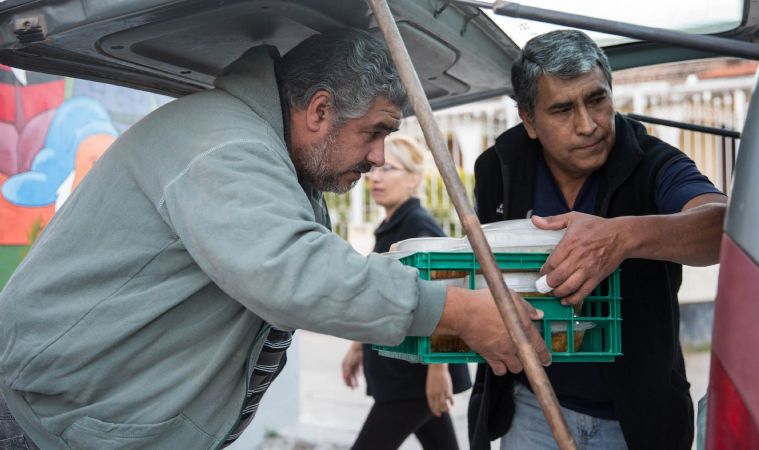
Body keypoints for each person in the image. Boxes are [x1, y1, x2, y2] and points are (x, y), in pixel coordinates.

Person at [0, 29, 549, 449]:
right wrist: (457, 310)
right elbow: (296, 271)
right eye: (376, 132)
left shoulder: (265, 155)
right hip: (43, 421)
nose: (380, 155)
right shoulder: (223, 146)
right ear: (320, 110)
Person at [467, 30, 726, 450]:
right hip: (532, 403)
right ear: (529, 120)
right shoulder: (499, 168)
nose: (587, 125)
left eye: (597, 99)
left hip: (636, 420)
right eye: (563, 109)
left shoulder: (652, 162)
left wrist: (624, 235)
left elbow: (721, 225)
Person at [341, 135, 472, 450]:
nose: (375, 177)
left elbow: (446, 292)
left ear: (413, 179)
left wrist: (438, 369)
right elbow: (384, 292)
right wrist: (359, 345)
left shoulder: (419, 229)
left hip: (413, 373)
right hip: (405, 369)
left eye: (389, 169)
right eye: (374, 170)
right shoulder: (393, 226)